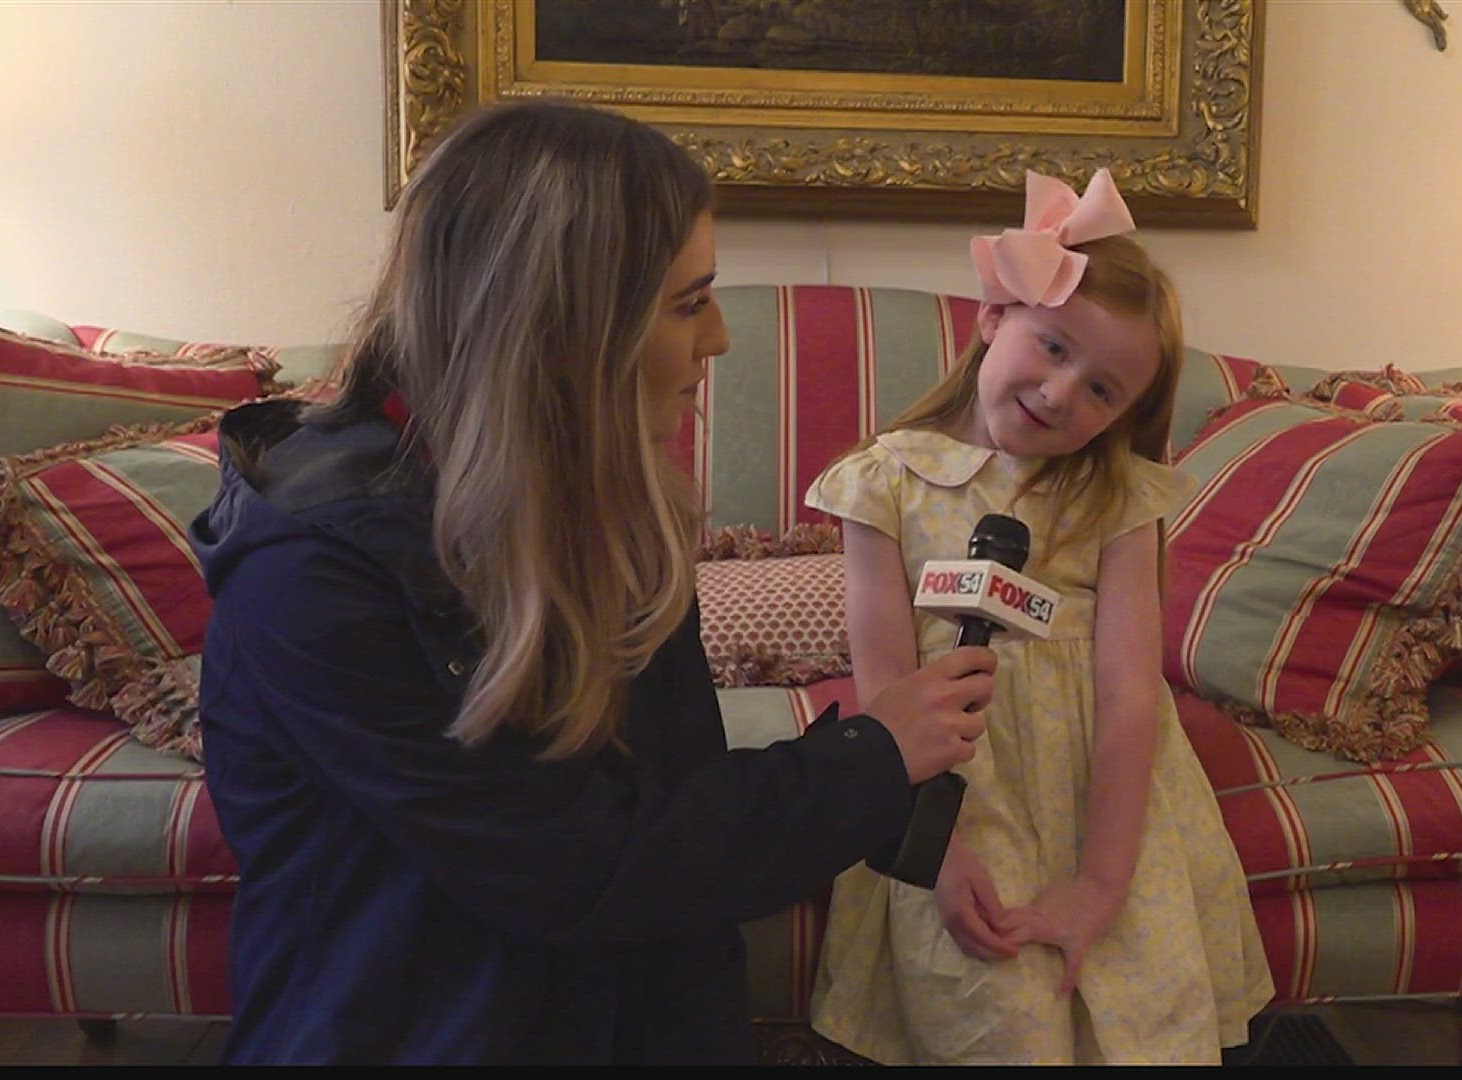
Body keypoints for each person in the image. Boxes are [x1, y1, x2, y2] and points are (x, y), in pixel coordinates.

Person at [187, 98, 1001, 1065]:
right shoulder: (314, 574)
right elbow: (574, 866)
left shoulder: (599, 503)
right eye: (689, 302)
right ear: (558, 327)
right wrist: (870, 757)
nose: (720, 344)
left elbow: (666, 805)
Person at [803, 168, 1275, 1065]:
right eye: (1054, 349)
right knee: (994, 1016)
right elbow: (886, 697)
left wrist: (1101, 884)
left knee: (1128, 1019)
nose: (1063, 395)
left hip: (1096, 806)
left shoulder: (1120, 499)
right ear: (993, 319)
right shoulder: (884, 483)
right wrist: (933, 855)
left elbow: (1131, 694)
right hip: (955, 803)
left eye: (1103, 392)